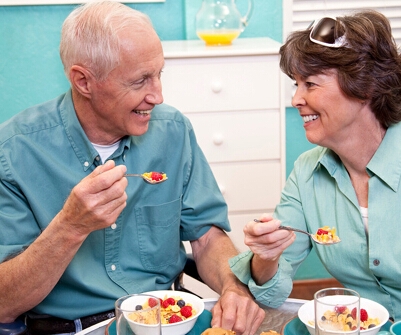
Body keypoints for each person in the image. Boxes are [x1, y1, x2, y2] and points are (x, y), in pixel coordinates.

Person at [0, 1, 265, 334]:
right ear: (84, 81)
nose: (157, 95)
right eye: (140, 81)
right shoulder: (13, 152)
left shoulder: (173, 131)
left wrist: (233, 286)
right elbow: (4, 302)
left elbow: (207, 237)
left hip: (168, 321)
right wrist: (70, 226)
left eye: (159, 74)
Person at [229, 9, 401, 334]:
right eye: (296, 84)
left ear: (363, 86)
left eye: (310, 83)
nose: (296, 98)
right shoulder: (307, 172)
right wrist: (265, 255)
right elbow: (273, 289)